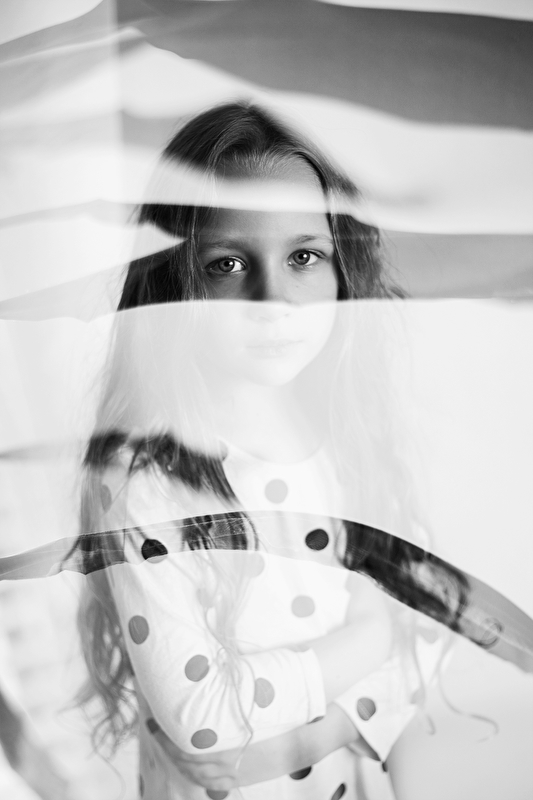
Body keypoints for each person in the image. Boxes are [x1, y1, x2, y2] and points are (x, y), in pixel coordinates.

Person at [71, 103, 470, 799]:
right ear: (172, 283)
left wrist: (316, 736)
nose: (273, 300)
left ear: (342, 267)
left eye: (303, 257)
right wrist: (371, 637)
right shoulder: (144, 481)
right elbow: (202, 721)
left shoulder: (349, 438)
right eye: (227, 264)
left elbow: (432, 627)